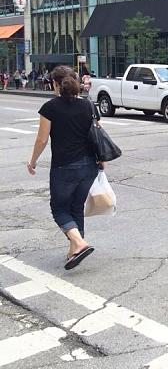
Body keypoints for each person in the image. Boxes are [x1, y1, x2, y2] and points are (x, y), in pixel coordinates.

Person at [27, 65, 102, 270]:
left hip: (64, 166)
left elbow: (42, 140)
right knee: (76, 207)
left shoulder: (50, 107)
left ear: (56, 84)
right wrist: (102, 162)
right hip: (89, 165)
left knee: (59, 208)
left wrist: (32, 161)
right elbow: (98, 135)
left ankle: (79, 243)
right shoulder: (89, 105)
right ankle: (74, 250)